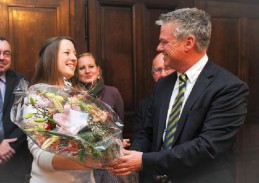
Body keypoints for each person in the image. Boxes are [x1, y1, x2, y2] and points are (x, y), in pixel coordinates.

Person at [107, 7, 249, 183]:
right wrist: (128, 157)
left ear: (188, 43)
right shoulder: (163, 85)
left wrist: (144, 161)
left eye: (164, 42)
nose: (159, 48)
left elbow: (206, 147)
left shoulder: (229, 88)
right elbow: (147, 131)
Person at [28, 36, 95, 183]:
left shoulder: (78, 95)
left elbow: (89, 137)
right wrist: (92, 161)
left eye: (74, 53)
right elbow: (41, 155)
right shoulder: (36, 97)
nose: (73, 58)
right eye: (67, 52)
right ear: (51, 57)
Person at [0, 36, 32, 183]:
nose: (1, 57)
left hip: (12, 160)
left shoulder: (22, 82)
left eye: (7, 53)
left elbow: (27, 118)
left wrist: (8, 147)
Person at [75, 52, 125, 183]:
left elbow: (119, 125)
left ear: (98, 69)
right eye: (82, 68)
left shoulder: (113, 92)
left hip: (109, 160)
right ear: (77, 73)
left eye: (91, 66)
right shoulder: (73, 96)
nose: (87, 71)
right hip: (83, 161)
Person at [134, 53, 174, 140]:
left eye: (167, 68)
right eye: (158, 70)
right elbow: (140, 138)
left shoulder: (185, 98)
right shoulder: (143, 106)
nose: (163, 74)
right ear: (153, 74)